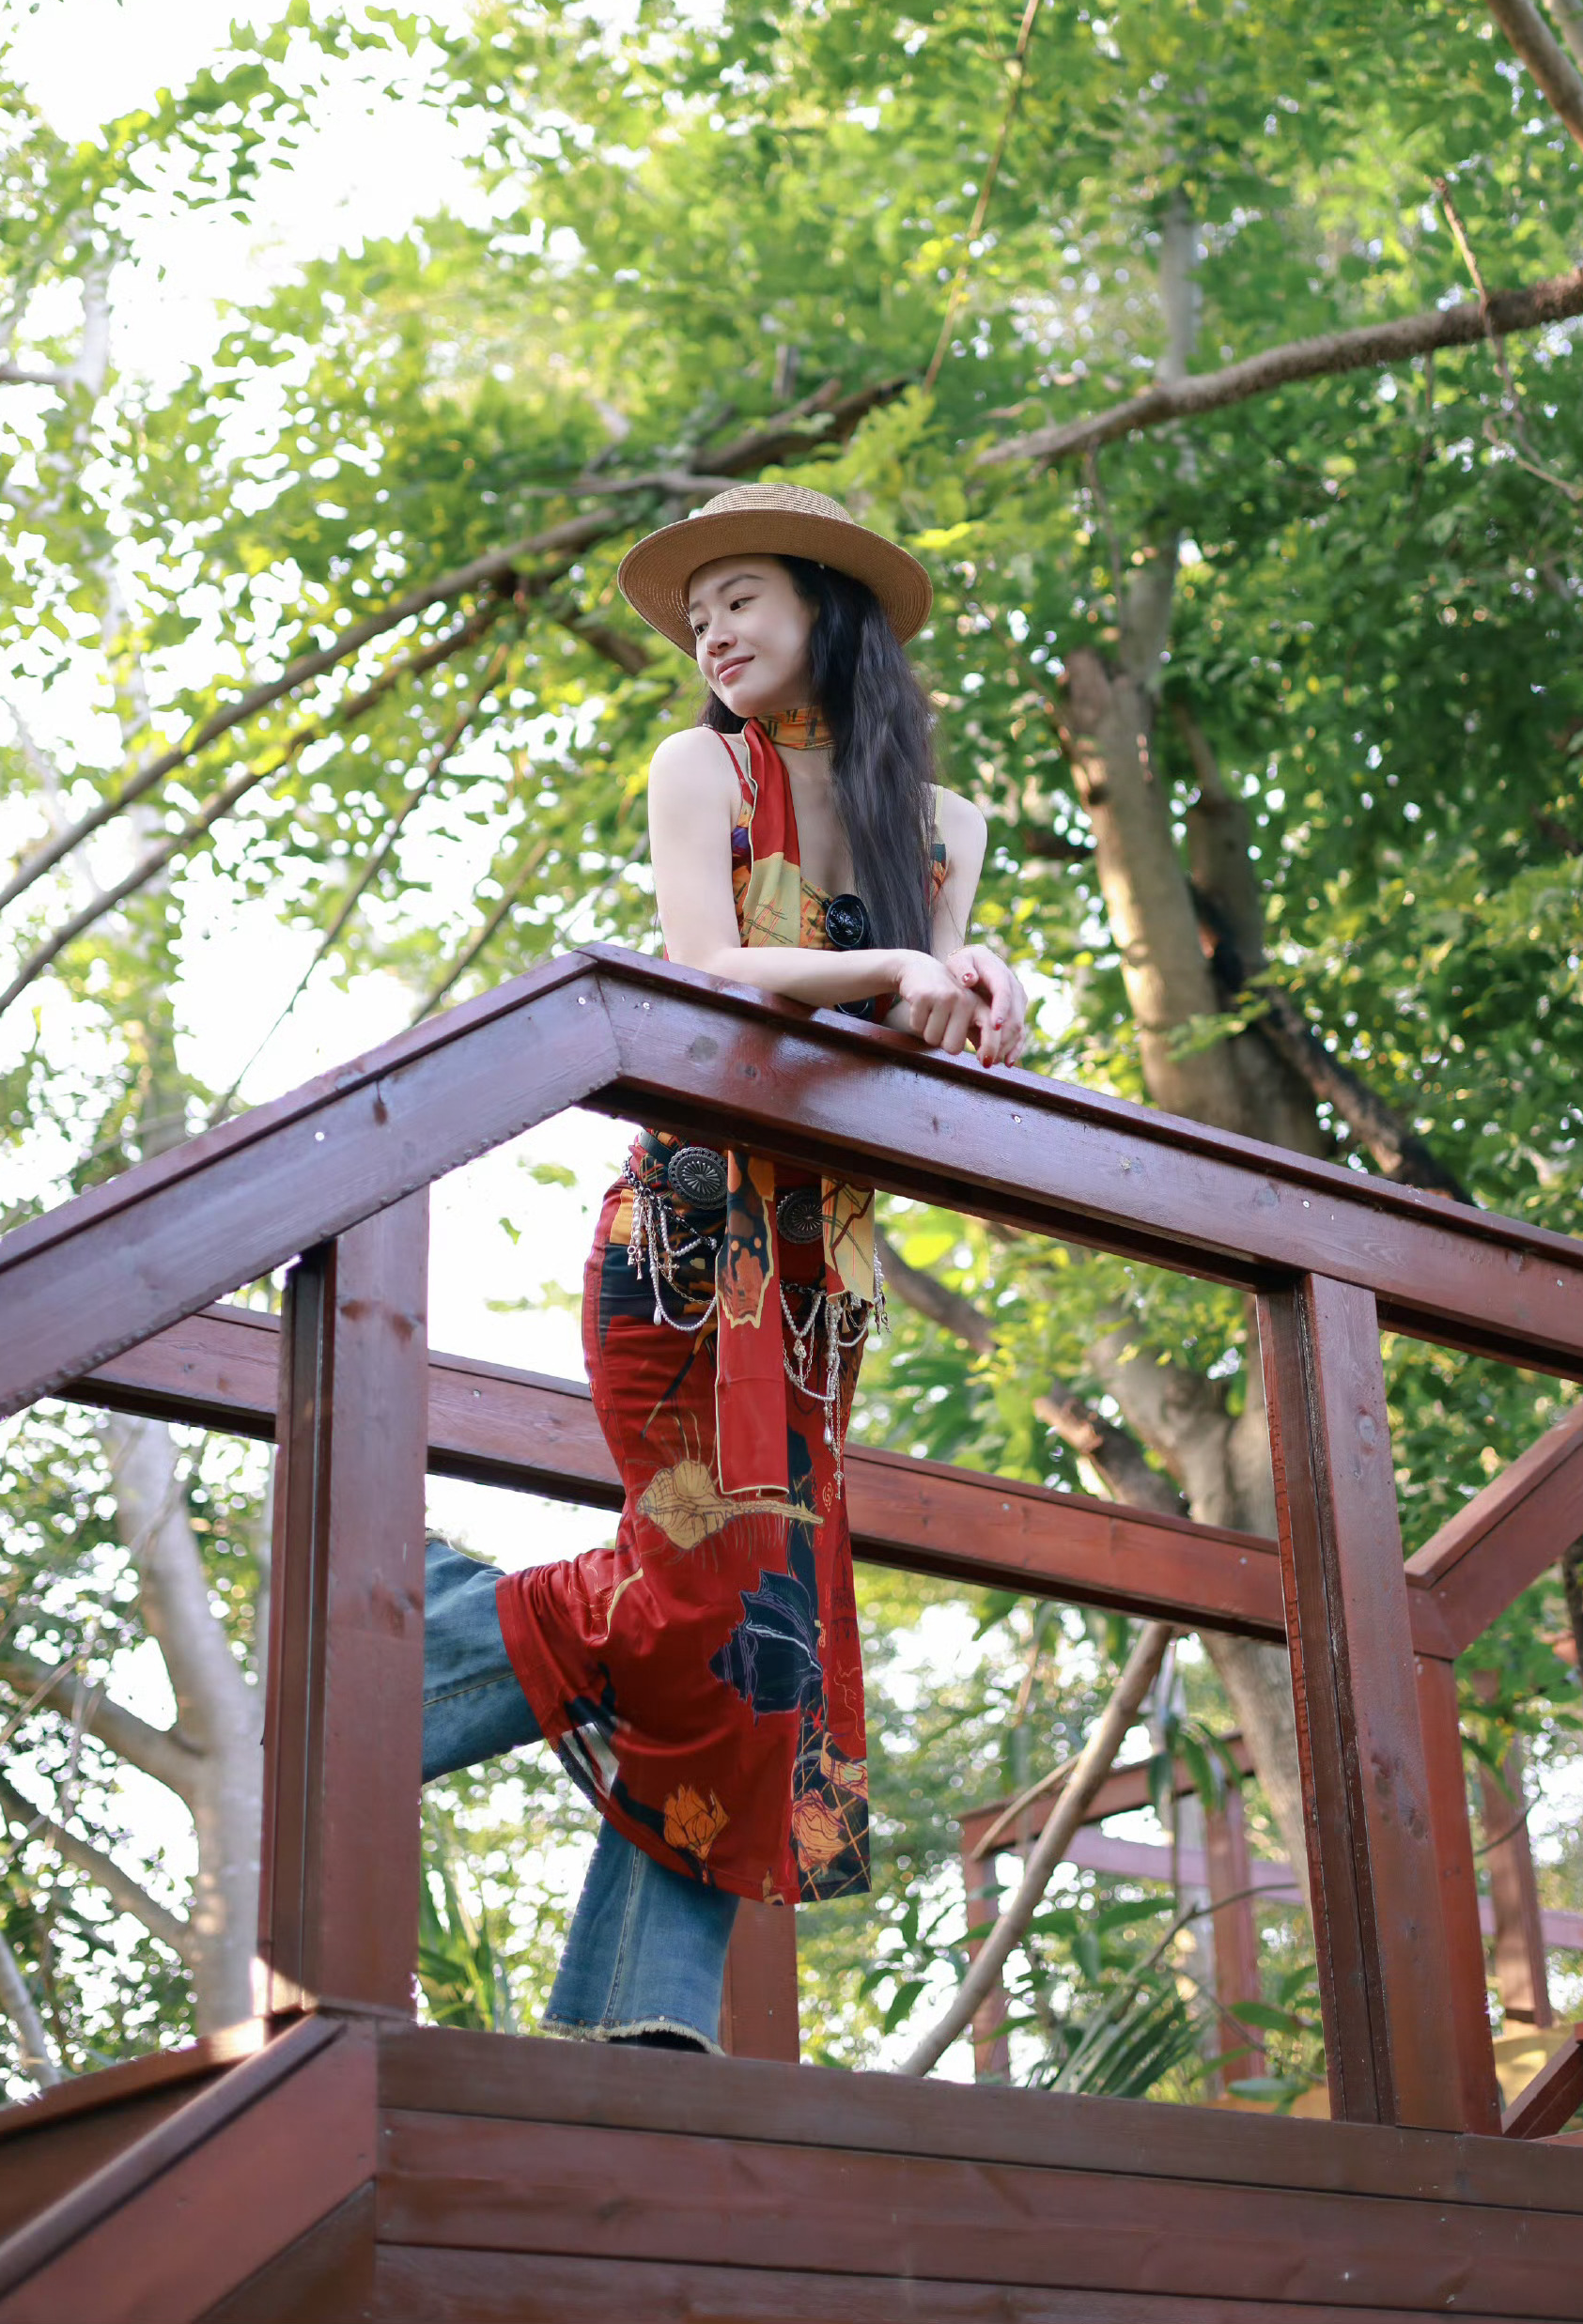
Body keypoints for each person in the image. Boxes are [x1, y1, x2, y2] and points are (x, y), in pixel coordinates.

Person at [422, 481, 1029, 2051]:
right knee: (722, 1593)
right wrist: (897, 960)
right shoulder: (700, 768)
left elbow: (908, 1045)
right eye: (699, 616)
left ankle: (635, 2012)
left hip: (820, 1287)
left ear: (830, 604)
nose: (713, 632)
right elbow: (703, 966)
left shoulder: (944, 831)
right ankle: (402, 1664)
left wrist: (975, 982)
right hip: (684, 1255)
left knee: (769, 1634)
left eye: (743, 596)